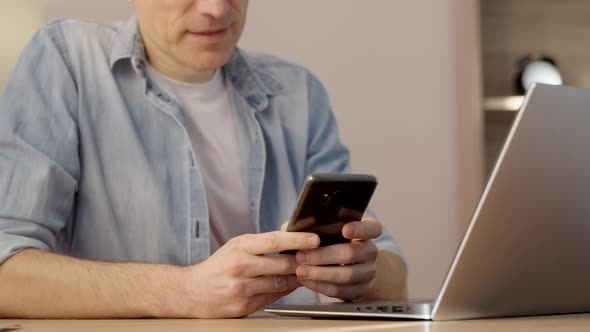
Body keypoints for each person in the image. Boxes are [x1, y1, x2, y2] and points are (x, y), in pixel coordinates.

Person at [0, 0, 407, 318]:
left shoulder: (298, 93)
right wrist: (183, 291)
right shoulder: (68, 60)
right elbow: (7, 275)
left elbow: (393, 274)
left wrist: (361, 271)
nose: (216, 11)